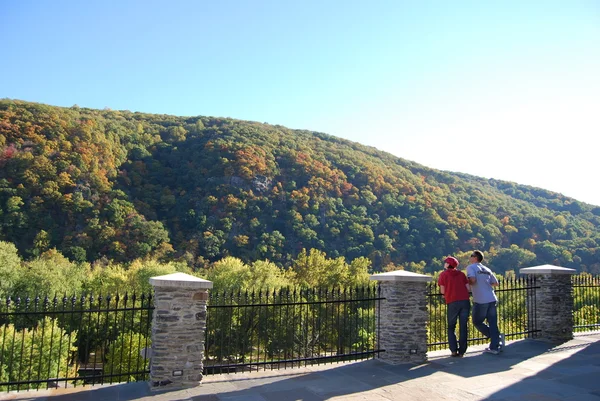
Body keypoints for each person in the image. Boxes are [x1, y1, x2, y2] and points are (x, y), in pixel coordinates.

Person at [466, 250, 503, 355]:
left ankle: (494, 337)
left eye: (471, 255)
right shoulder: (487, 269)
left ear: (475, 258)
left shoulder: (471, 267)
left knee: (477, 321)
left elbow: (472, 280)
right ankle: (495, 345)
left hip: (480, 300)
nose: (470, 257)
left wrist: (464, 282)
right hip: (492, 298)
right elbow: (495, 283)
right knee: (493, 323)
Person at [438, 256, 471, 357]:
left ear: (448, 264)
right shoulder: (461, 274)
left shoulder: (443, 275)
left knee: (451, 326)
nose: (444, 264)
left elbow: (442, 291)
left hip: (452, 302)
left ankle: (453, 350)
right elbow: (468, 288)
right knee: (463, 326)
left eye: (446, 262)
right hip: (465, 301)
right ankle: (462, 351)